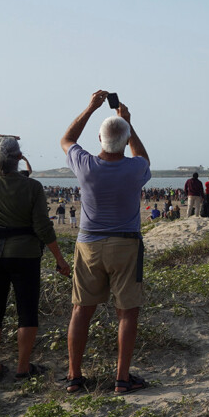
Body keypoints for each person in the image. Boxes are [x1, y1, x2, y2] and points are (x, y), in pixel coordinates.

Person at [60, 91, 151, 394]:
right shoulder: (135, 168)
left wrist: (90, 108)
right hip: (126, 245)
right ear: (125, 141)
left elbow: (67, 139)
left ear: (99, 139)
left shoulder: (85, 164)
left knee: (81, 310)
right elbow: (143, 158)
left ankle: (74, 377)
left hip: (89, 245)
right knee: (127, 312)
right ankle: (122, 379)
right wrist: (128, 123)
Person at [0, 134, 72, 382]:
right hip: (25, 254)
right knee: (27, 311)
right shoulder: (32, 187)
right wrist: (59, 258)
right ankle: (23, 368)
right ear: (19, 158)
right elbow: (43, 227)